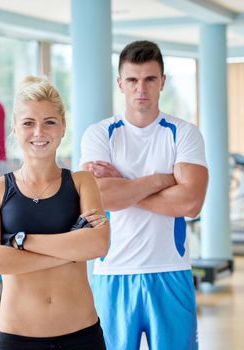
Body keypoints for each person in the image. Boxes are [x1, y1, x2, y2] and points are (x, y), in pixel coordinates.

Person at [80, 40, 209, 350]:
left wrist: (123, 185)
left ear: (162, 81)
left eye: (150, 79)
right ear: (120, 83)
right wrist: (161, 180)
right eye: (133, 80)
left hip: (170, 271)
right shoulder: (100, 134)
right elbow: (97, 198)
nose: (141, 89)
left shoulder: (184, 133)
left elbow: (191, 203)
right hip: (112, 274)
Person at [0, 76, 109, 350]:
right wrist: (70, 250)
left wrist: (19, 242)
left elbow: (97, 244)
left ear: (62, 128)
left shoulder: (83, 182)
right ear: (14, 127)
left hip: (81, 336)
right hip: (16, 339)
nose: (39, 132)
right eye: (28, 123)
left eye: (49, 121)